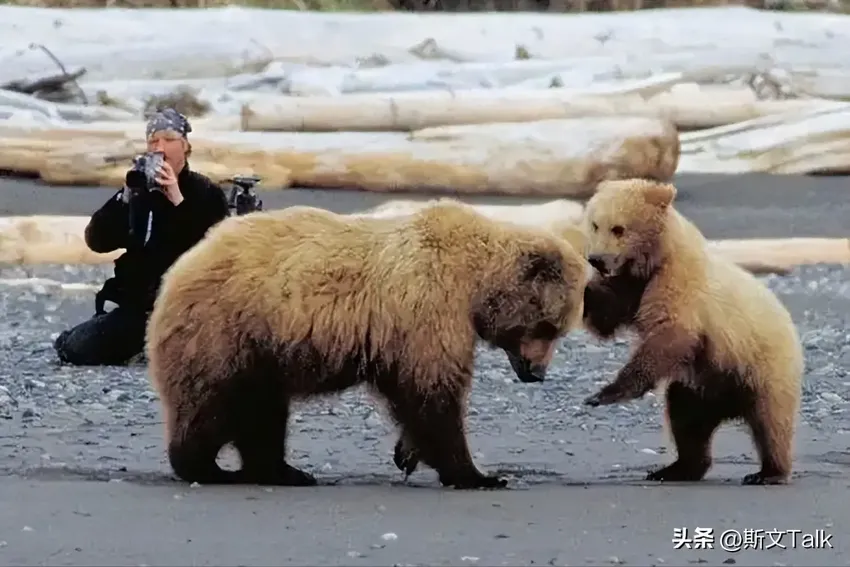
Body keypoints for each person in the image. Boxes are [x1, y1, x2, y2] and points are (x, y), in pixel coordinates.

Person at [53, 108, 230, 366]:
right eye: (153, 142)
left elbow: (212, 251)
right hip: (141, 308)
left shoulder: (206, 193)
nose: (160, 148)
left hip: (189, 308)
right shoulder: (139, 191)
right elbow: (98, 241)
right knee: (74, 348)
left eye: (169, 140)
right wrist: (124, 197)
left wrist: (177, 199)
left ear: (186, 147)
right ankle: (147, 347)